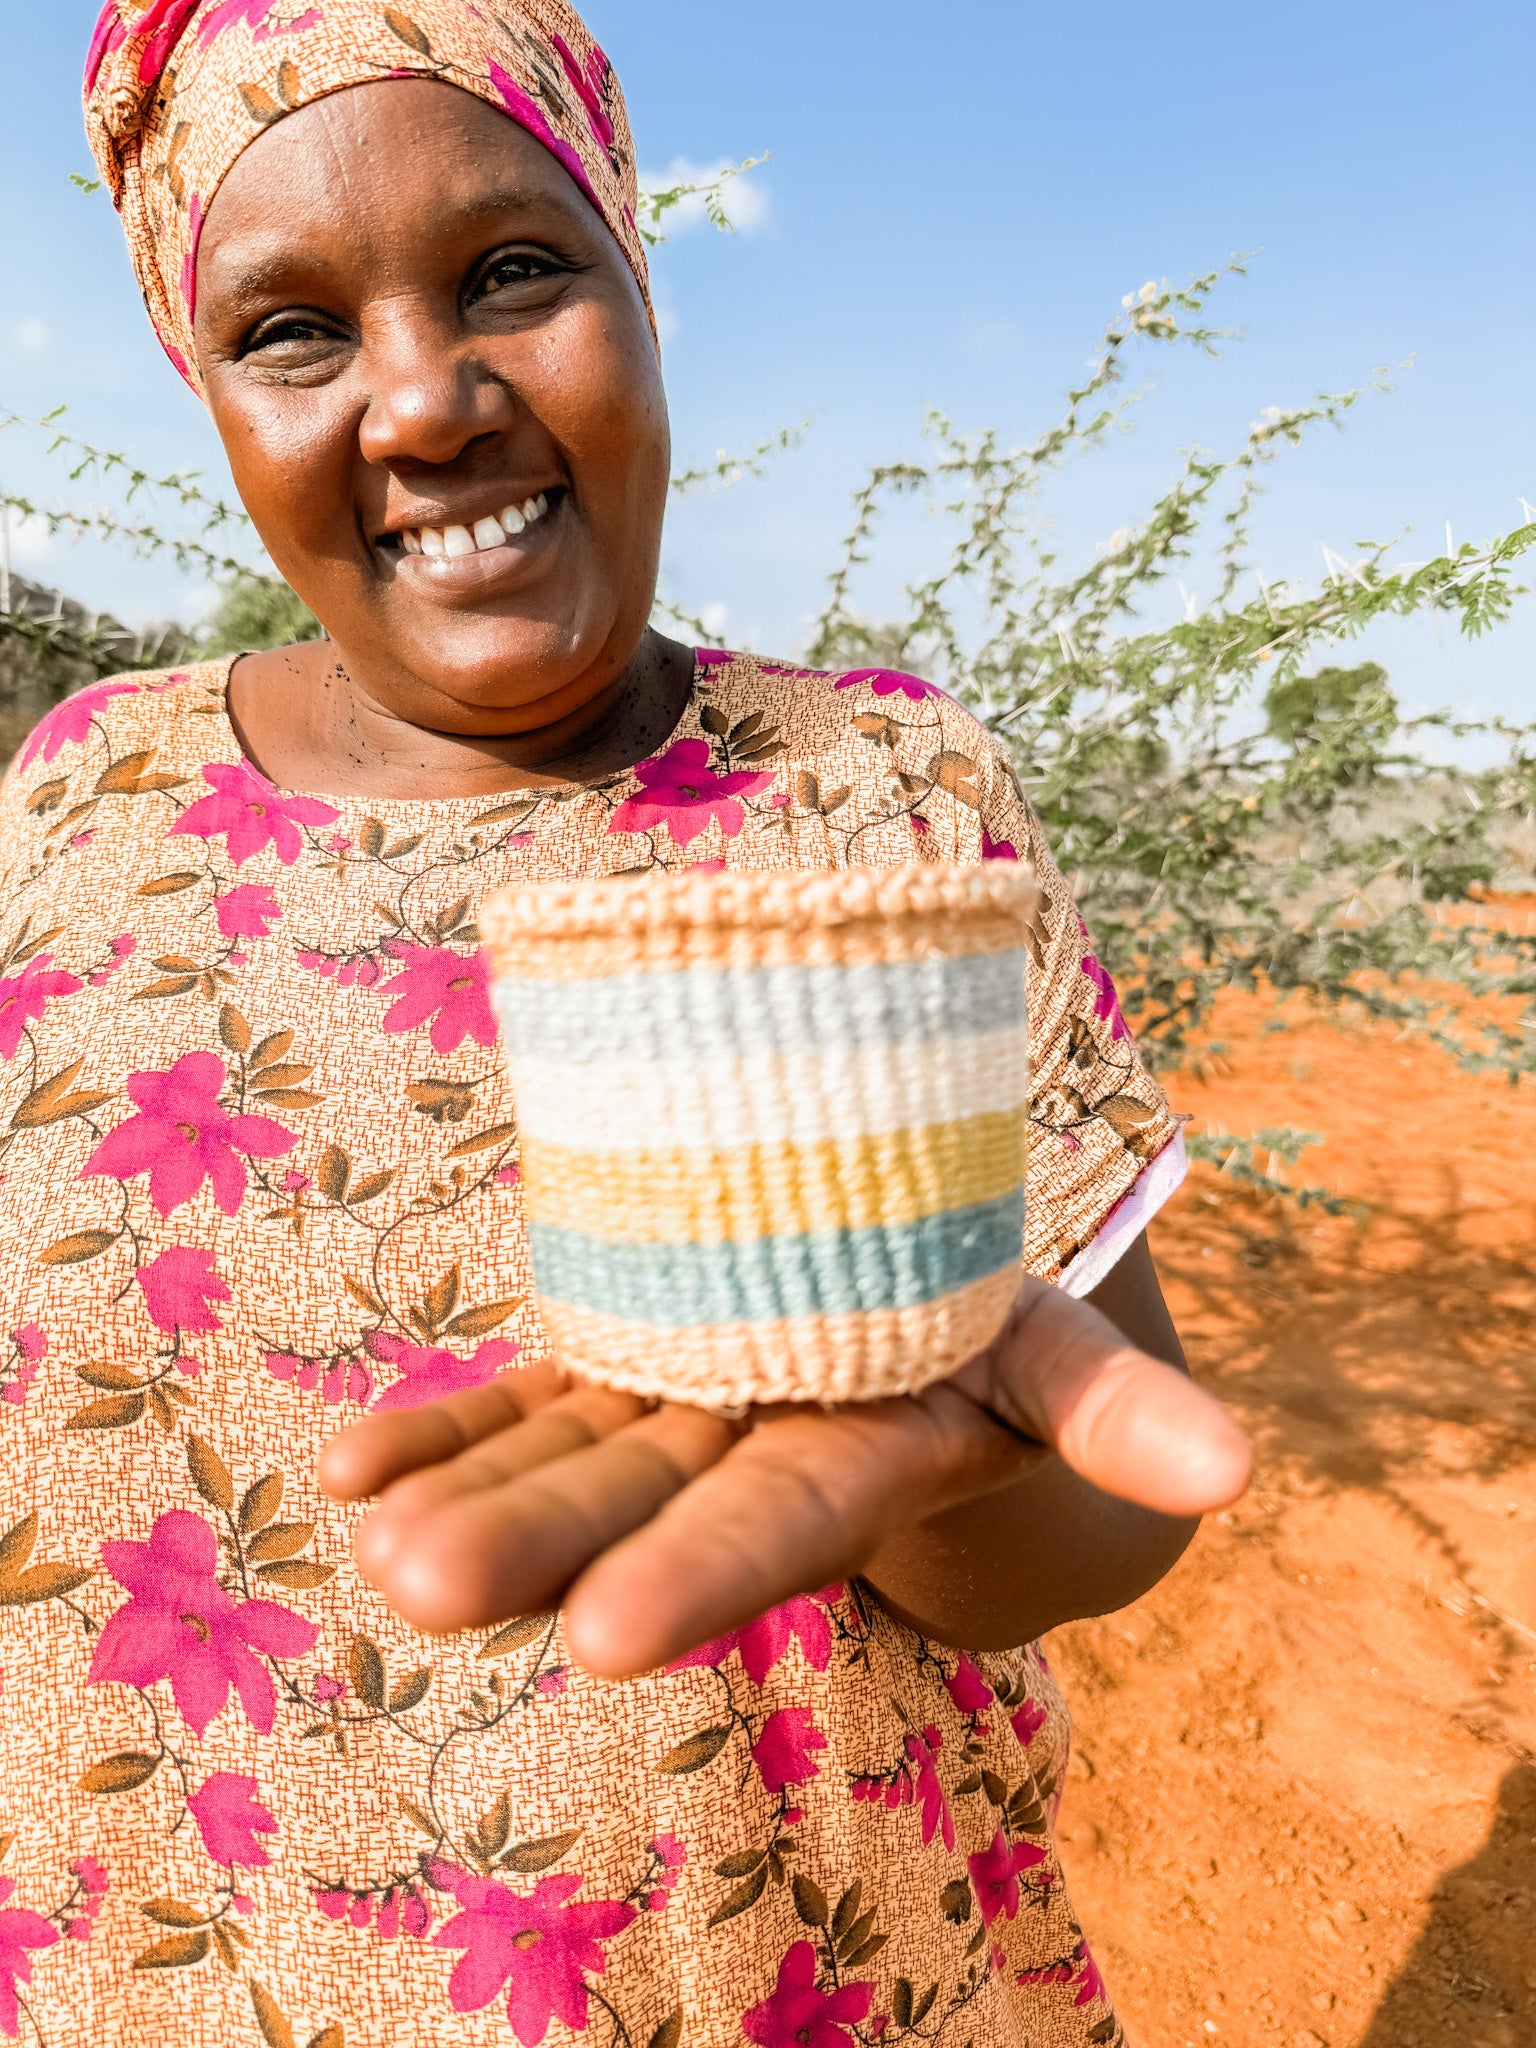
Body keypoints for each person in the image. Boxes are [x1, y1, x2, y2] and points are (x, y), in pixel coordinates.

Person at [0, 3, 1246, 2040]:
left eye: (512, 270)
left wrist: (930, 1438)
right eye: (292, 332)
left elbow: (1083, 1530)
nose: (425, 401)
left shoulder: (879, 797)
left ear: (641, 289)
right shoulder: (80, 798)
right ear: (208, 397)